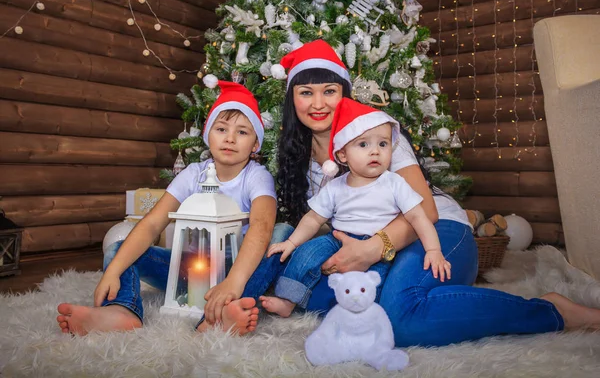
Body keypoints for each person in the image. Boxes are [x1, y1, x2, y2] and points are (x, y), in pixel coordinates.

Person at [249, 39, 600, 346]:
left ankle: (551, 311)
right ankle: (428, 298)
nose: (318, 102)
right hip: (370, 248)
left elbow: (425, 211)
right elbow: (321, 220)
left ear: (344, 94)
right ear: (292, 97)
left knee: (397, 321)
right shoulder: (297, 157)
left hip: (435, 231)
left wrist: (374, 248)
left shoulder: (377, 137)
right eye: (306, 92)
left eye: (329, 90)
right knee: (314, 294)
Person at [56, 81, 283, 336]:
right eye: (221, 129)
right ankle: (121, 310)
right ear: (208, 135)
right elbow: (153, 223)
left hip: (238, 268)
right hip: (192, 269)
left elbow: (263, 226)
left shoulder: (256, 176)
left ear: (255, 145)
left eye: (242, 132)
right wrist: (114, 271)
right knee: (120, 250)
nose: (230, 138)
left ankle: (222, 313)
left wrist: (234, 282)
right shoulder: (193, 174)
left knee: (281, 236)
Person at [262, 98, 451, 317]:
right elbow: (314, 219)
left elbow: (419, 217)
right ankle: (288, 300)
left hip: (377, 245)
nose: (375, 152)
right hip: (336, 239)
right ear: (343, 155)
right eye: (363, 144)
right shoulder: (335, 187)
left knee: (375, 282)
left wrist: (434, 250)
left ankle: (365, 314)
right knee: (305, 254)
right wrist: (291, 242)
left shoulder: (394, 183)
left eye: (383, 144)